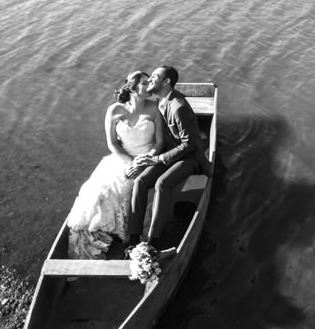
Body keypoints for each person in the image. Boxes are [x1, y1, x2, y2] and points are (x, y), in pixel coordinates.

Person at [65, 70, 164, 258]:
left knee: (134, 188)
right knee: (100, 191)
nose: (150, 84)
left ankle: (131, 234)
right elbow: (112, 143)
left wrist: (146, 159)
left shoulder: (154, 107)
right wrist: (129, 162)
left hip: (147, 158)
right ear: (133, 88)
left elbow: (159, 143)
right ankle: (99, 233)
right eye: (145, 82)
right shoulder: (114, 110)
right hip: (122, 158)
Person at [130, 66, 210, 250]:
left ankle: (152, 241)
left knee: (162, 184)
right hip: (170, 155)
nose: (150, 80)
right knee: (141, 181)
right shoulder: (160, 100)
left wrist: (157, 160)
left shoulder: (179, 107)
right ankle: (133, 238)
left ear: (166, 82)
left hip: (189, 158)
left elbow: (190, 144)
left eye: (154, 77)